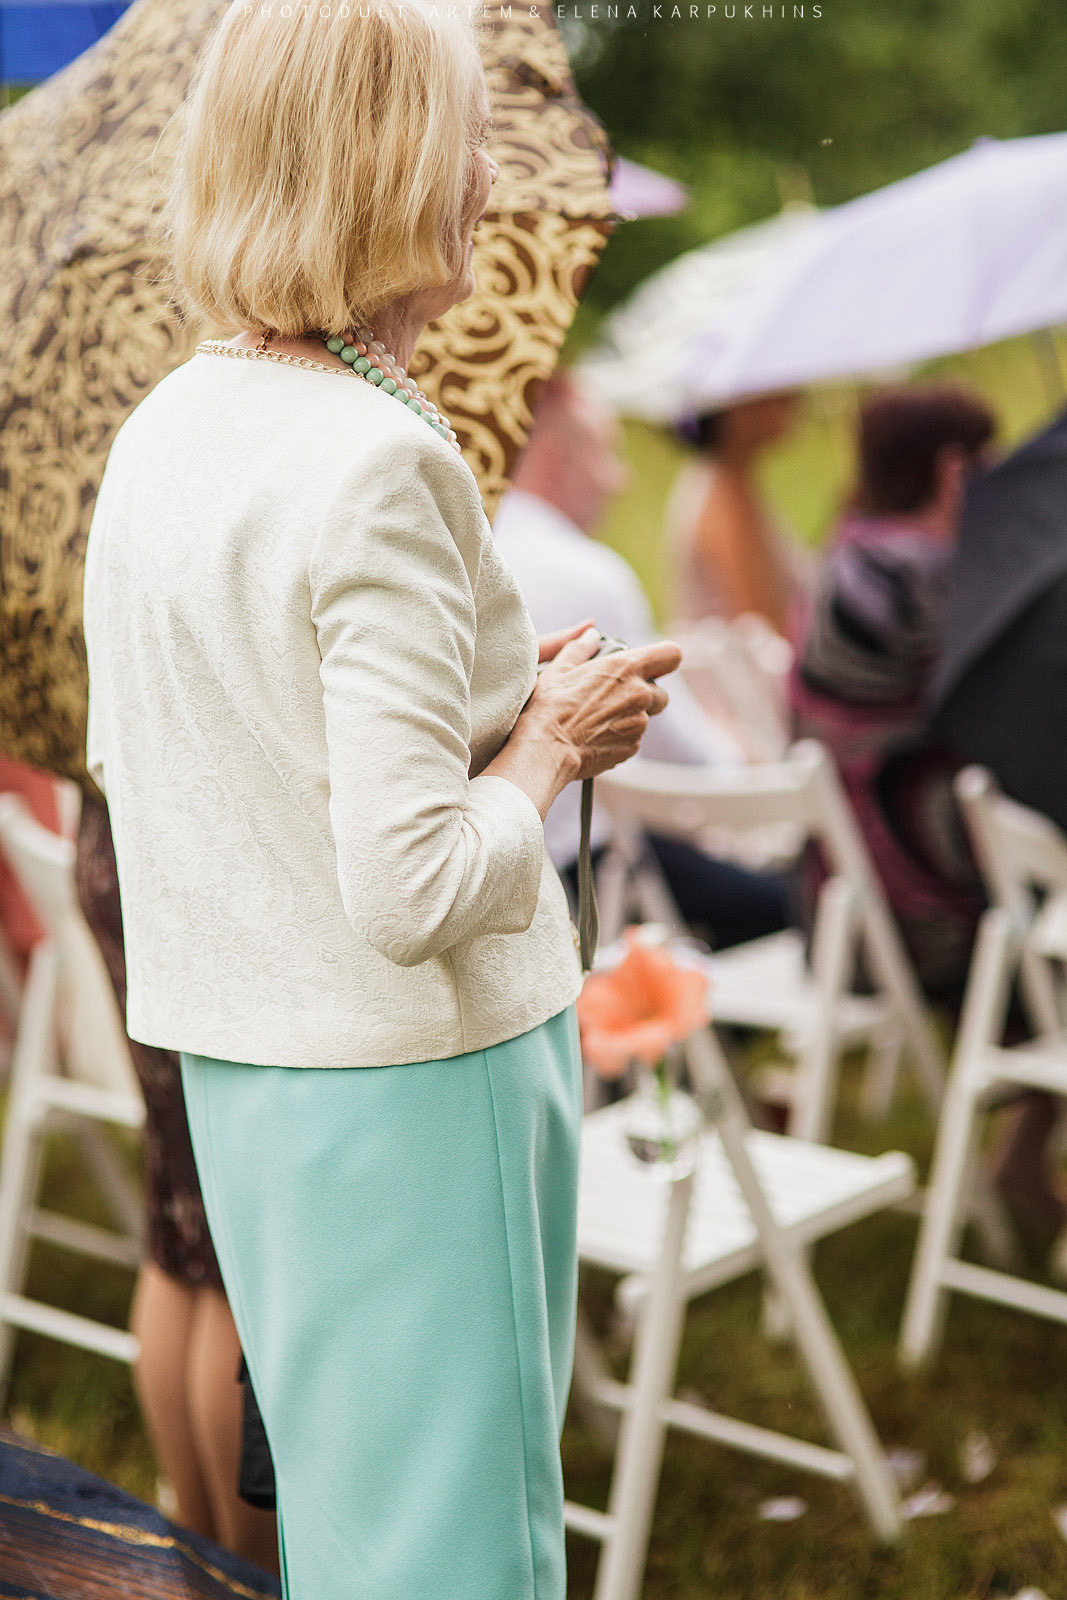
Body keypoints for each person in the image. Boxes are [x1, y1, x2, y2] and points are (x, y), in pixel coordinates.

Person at [80, 5, 681, 1597]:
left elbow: (205, 753)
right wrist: (551, 740)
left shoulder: (165, 428)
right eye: (468, 136)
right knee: (456, 1550)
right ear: (388, 165)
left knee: (350, 1532)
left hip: (248, 1070)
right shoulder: (375, 459)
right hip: (420, 1081)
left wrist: (487, 707)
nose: (490, 175)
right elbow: (410, 889)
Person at [495, 371, 792, 949]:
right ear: (555, 459)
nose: (621, 479)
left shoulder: (470, 549)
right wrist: (745, 756)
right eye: (606, 455)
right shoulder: (586, 575)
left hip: (511, 870)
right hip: (589, 874)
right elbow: (681, 758)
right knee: (792, 898)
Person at [73, 796, 278, 1567]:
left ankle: (199, 1556)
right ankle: (241, 1573)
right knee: (227, 1248)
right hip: (198, 841)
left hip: (119, 835)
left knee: (181, 1220)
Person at [791, 383, 997, 995]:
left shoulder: (847, 560)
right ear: (954, 469)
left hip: (837, 909)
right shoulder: (923, 580)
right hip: (932, 917)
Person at [665, 391, 808, 635]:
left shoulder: (730, 481)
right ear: (738, 409)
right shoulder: (724, 496)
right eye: (775, 392)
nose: (795, 399)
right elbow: (763, 629)